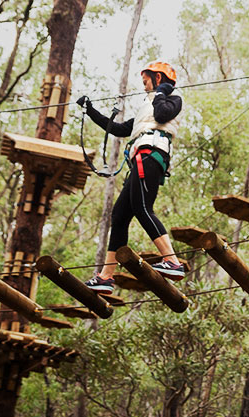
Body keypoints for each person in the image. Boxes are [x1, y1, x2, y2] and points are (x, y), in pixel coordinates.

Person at [75, 60, 189, 292]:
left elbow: (163, 112)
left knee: (142, 207)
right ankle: (106, 276)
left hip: (152, 155)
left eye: (147, 78)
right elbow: (116, 129)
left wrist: (160, 93)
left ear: (158, 78)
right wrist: (91, 110)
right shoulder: (146, 106)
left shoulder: (173, 98)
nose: (143, 83)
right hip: (140, 159)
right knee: (119, 215)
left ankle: (172, 262)